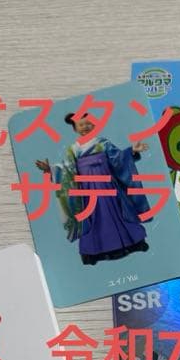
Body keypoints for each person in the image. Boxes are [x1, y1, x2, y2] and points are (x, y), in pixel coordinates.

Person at [36, 113, 151, 265]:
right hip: (88, 191)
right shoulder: (73, 149)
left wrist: (131, 151)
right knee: (93, 219)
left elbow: (118, 159)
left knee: (119, 212)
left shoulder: (103, 143)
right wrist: (50, 169)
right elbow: (67, 170)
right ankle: (95, 252)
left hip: (109, 187)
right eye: (81, 124)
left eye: (88, 123)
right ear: (75, 128)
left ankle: (134, 242)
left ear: (94, 125)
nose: (85, 127)